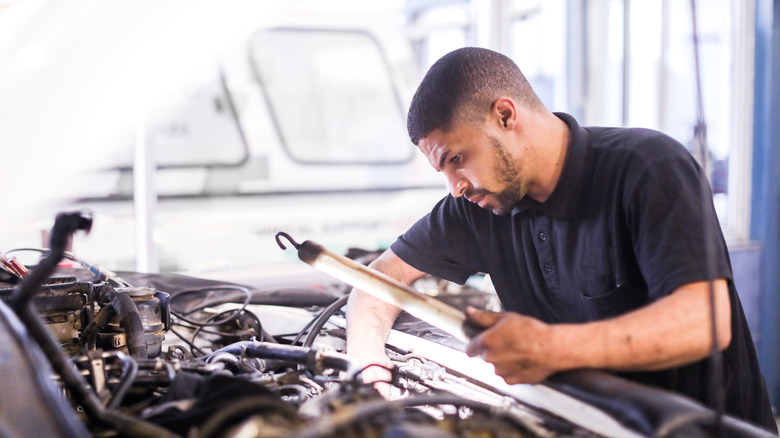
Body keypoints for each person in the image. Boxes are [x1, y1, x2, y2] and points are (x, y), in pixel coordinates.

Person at [344, 47, 777, 432]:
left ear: (505, 116)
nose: (456, 186)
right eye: (444, 171)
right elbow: (378, 280)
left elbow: (704, 322)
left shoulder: (648, 168)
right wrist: (368, 367)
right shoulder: (478, 205)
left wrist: (550, 348)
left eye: (457, 159)